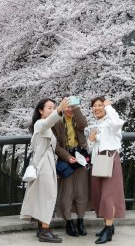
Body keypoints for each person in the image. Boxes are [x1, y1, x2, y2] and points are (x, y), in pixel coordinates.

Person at [20, 97, 68, 243]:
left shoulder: (45, 126)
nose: (52, 110)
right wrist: (59, 110)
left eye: (53, 107)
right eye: (49, 107)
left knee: (43, 196)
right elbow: (48, 122)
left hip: (45, 164)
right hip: (44, 166)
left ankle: (43, 228)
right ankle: (45, 230)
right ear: (40, 110)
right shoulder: (40, 123)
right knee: (48, 195)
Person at [87, 96, 126, 244]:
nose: (96, 108)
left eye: (99, 105)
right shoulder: (95, 124)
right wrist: (91, 140)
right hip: (98, 161)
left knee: (108, 195)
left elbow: (117, 123)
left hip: (110, 159)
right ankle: (108, 225)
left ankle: (108, 230)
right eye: (94, 106)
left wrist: (109, 107)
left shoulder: (111, 122)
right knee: (100, 194)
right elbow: (91, 148)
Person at [52, 94, 90, 237]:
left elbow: (83, 124)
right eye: (66, 105)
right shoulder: (57, 122)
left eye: (72, 105)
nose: (69, 108)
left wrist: (76, 109)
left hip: (81, 158)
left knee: (81, 191)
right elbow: (55, 146)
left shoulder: (77, 118)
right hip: (66, 159)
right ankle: (68, 222)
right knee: (67, 192)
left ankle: (80, 220)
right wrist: (67, 157)